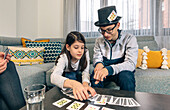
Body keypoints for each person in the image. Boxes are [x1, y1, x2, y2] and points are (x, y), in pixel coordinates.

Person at [90, 6, 138, 91]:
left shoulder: (130, 39)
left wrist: (109, 70)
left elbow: (130, 64)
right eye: (102, 30)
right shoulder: (99, 41)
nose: (105, 34)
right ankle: (96, 103)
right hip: (104, 70)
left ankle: (128, 103)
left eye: (109, 30)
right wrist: (98, 64)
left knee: (126, 77)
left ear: (118, 25)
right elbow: (97, 58)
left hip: (122, 70)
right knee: (94, 77)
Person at [51, 31, 96, 101]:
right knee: (71, 77)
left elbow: (86, 71)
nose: (80, 51)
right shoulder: (63, 57)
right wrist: (73, 84)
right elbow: (54, 77)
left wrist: (85, 84)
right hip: (64, 73)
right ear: (68, 47)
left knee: (80, 79)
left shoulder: (85, 52)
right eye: (76, 47)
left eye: (82, 47)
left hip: (75, 71)